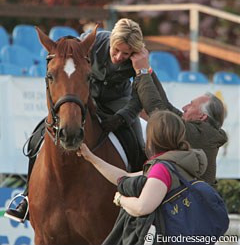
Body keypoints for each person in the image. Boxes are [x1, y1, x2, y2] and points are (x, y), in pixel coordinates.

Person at [4, 18, 146, 222]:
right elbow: (71, 49)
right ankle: (27, 197)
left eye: (126, 54)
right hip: (85, 95)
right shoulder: (95, 42)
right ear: (111, 41)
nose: (119, 57)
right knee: (38, 136)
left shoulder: (140, 58)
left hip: (118, 102)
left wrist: (122, 117)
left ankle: (139, 199)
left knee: (137, 144)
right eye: (116, 51)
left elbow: (140, 95)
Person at [76, 110, 207, 245]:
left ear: (154, 138)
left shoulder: (161, 169)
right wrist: (90, 157)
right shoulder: (182, 162)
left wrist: (121, 200)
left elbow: (142, 207)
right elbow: (124, 176)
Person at [130, 47, 228, 187]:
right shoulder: (199, 129)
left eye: (191, 105)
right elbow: (166, 106)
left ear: (202, 116)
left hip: (193, 206)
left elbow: (159, 112)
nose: (184, 108)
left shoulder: (200, 134)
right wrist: (148, 70)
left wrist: (142, 72)